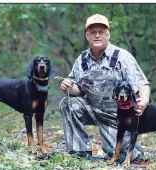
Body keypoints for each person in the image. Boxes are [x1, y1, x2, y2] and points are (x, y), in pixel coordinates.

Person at [59, 14, 150, 162]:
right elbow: (79, 90)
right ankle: (79, 152)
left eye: (101, 32)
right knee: (67, 103)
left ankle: (130, 147)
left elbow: (141, 83)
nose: (97, 35)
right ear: (87, 36)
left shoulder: (122, 57)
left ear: (108, 35)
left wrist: (144, 100)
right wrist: (69, 87)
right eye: (92, 32)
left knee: (125, 157)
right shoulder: (81, 60)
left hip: (117, 118)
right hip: (92, 109)